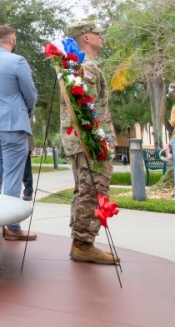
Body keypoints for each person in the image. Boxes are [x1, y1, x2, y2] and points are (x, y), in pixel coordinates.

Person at [61, 20, 117, 264]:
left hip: (84, 140)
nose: (100, 37)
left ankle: (81, 241)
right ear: (86, 37)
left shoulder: (79, 63)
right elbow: (87, 107)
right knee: (93, 190)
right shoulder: (85, 66)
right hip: (89, 141)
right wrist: (99, 141)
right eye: (97, 33)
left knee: (84, 189)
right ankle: (84, 244)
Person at [0, 25, 38, 241]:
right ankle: (12, 225)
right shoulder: (17, 61)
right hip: (12, 123)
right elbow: (30, 94)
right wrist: (26, 113)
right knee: (13, 175)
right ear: (11, 39)